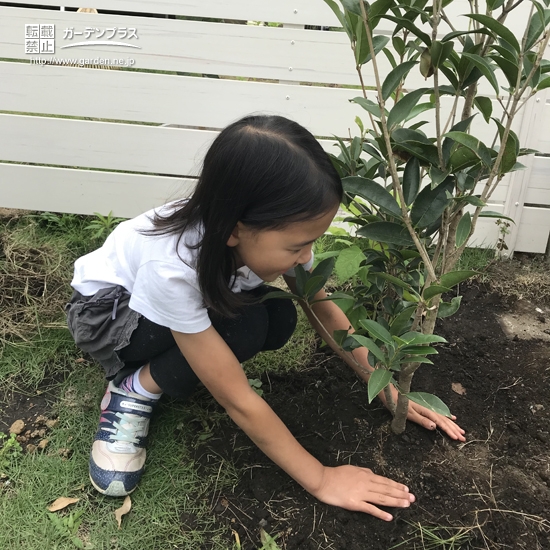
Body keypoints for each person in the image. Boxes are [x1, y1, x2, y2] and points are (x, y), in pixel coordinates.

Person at [66, 114, 465, 522]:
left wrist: (382, 382)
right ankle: (134, 388)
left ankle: (163, 370)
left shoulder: (259, 225)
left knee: (276, 317)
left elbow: (322, 309)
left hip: (175, 300)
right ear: (236, 230)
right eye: (298, 246)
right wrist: (322, 479)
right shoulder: (171, 267)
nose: (307, 257)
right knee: (246, 327)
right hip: (112, 320)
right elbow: (236, 397)